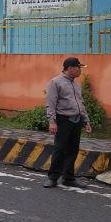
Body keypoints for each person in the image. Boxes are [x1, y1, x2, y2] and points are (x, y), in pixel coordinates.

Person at [43, 57, 92, 189]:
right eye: (78, 67)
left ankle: (68, 178)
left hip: (76, 121)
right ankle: (52, 178)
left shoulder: (76, 85)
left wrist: (86, 120)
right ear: (69, 68)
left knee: (73, 150)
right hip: (63, 120)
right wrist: (52, 121)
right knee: (59, 150)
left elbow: (80, 104)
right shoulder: (55, 82)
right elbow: (50, 103)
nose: (80, 70)